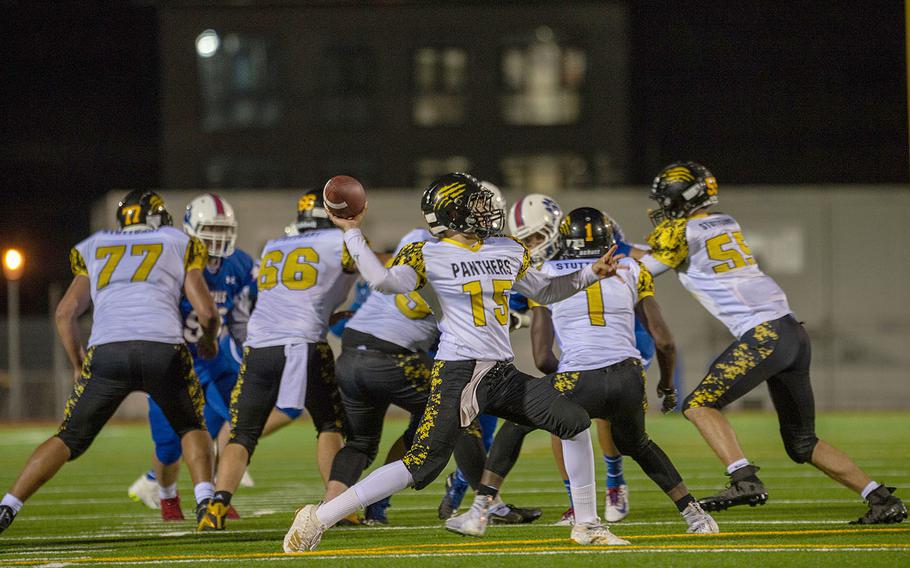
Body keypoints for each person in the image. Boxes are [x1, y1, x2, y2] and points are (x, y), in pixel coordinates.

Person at [283, 172, 630, 552]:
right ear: (454, 212)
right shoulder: (426, 252)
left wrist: (590, 274)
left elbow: (546, 292)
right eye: (476, 204)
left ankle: (587, 525)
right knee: (422, 464)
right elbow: (384, 282)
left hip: (501, 371)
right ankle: (319, 517)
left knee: (573, 421)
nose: (487, 210)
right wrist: (351, 231)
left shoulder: (507, 248)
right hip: (459, 371)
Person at [638, 161, 907, 525]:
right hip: (791, 332)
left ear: (682, 198)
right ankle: (880, 499)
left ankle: (743, 478)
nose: (663, 207)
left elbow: (642, 269)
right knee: (802, 443)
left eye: (666, 199)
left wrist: (606, 255)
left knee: (699, 404)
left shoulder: (685, 234)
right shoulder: (724, 221)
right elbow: (660, 256)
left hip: (765, 334)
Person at [446, 207, 718, 537]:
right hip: (629, 375)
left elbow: (543, 356)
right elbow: (664, 341)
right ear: (609, 239)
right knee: (637, 443)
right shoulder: (632, 268)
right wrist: (667, 385)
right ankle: (695, 515)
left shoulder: (546, 271)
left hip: (578, 377)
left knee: (516, 423)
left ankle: (479, 512)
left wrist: (564, 385)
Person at [0, 190, 219, 535]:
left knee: (68, 438)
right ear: (158, 217)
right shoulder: (179, 241)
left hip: (108, 350)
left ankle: (8, 506)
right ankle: (207, 503)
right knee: (191, 426)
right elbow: (206, 311)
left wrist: (78, 363)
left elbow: (65, 313)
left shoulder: (95, 244)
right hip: (162, 347)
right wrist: (208, 340)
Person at [196, 189, 354, 531]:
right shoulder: (337, 242)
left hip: (260, 347)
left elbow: (283, 297)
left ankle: (217, 506)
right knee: (329, 424)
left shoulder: (273, 246)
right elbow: (373, 269)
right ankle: (338, 504)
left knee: (242, 433)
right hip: (304, 345)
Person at [127, 193, 257, 521]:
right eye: (211, 228)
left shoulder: (239, 263)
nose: (218, 237)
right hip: (174, 360)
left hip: (216, 360)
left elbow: (240, 318)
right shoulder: (172, 259)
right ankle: (166, 493)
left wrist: (248, 352)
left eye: (223, 229)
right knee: (169, 448)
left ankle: (218, 494)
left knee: (243, 421)